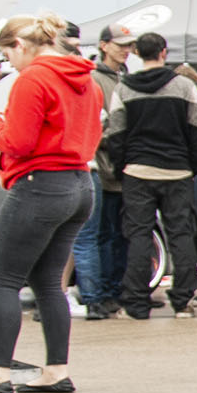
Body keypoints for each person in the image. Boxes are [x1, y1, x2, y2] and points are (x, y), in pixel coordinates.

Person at [0, 14, 104, 393]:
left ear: (21, 44)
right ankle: (56, 369)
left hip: (39, 184)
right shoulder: (86, 77)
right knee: (50, 283)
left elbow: (17, 142)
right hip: (80, 183)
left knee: (3, 281)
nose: (8, 65)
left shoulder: (34, 77)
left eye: (7, 54)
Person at [101, 29, 197, 319]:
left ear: (137, 53)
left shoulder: (123, 89)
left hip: (137, 171)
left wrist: (121, 167)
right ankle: (183, 300)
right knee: (181, 234)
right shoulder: (184, 86)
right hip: (177, 172)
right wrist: (193, 165)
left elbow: (116, 133)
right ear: (164, 53)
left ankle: (135, 302)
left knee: (138, 235)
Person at [75, 23, 130, 316]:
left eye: (129, 44)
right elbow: (98, 126)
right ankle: (100, 295)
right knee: (101, 236)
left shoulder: (124, 77)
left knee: (118, 235)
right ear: (104, 45)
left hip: (123, 170)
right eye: (121, 44)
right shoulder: (95, 79)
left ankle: (111, 292)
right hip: (105, 168)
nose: (126, 49)